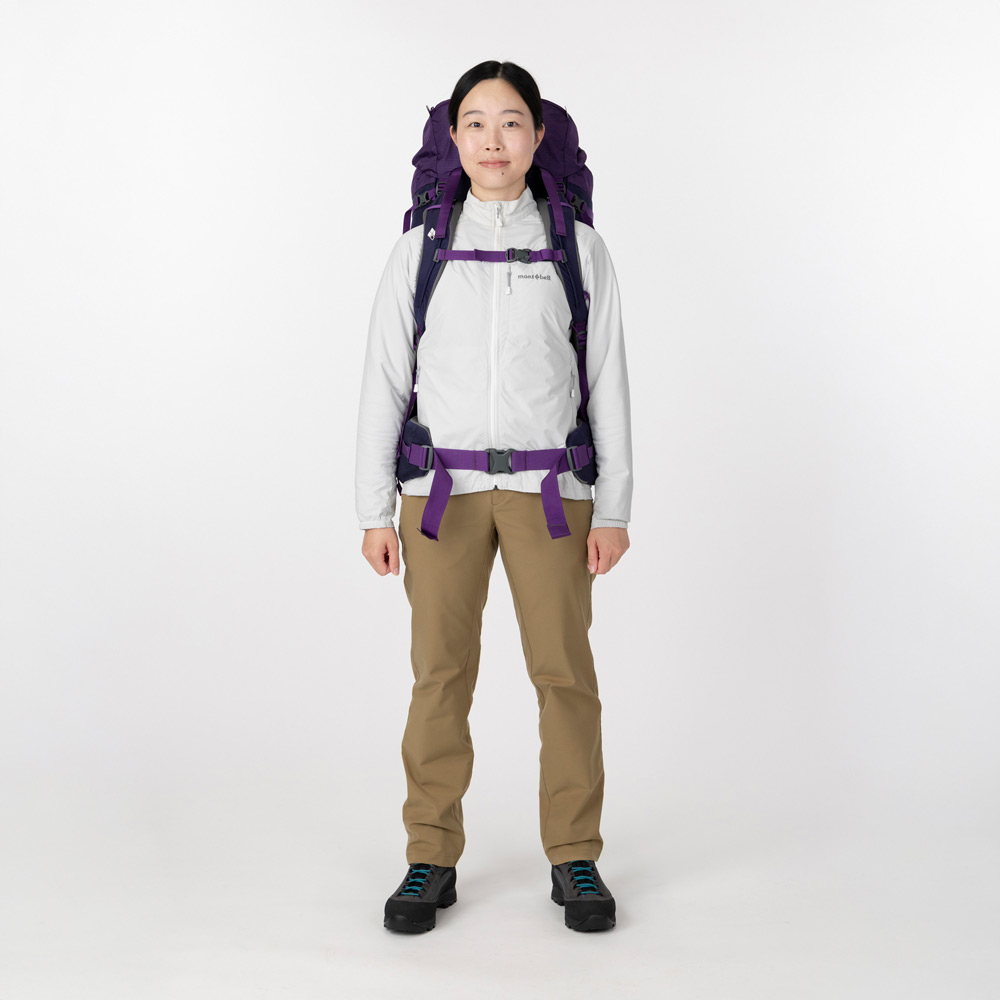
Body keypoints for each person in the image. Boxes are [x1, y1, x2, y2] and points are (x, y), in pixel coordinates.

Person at [355, 60, 633, 933]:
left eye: (511, 122)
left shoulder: (578, 248)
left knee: (565, 677)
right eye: (475, 122)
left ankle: (575, 855)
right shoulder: (420, 249)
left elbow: (607, 379)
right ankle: (429, 857)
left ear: (539, 136)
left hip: (553, 492)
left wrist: (614, 507)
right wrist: (373, 508)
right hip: (442, 495)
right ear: (453, 137)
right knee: (439, 677)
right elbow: (384, 377)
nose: (492, 140)